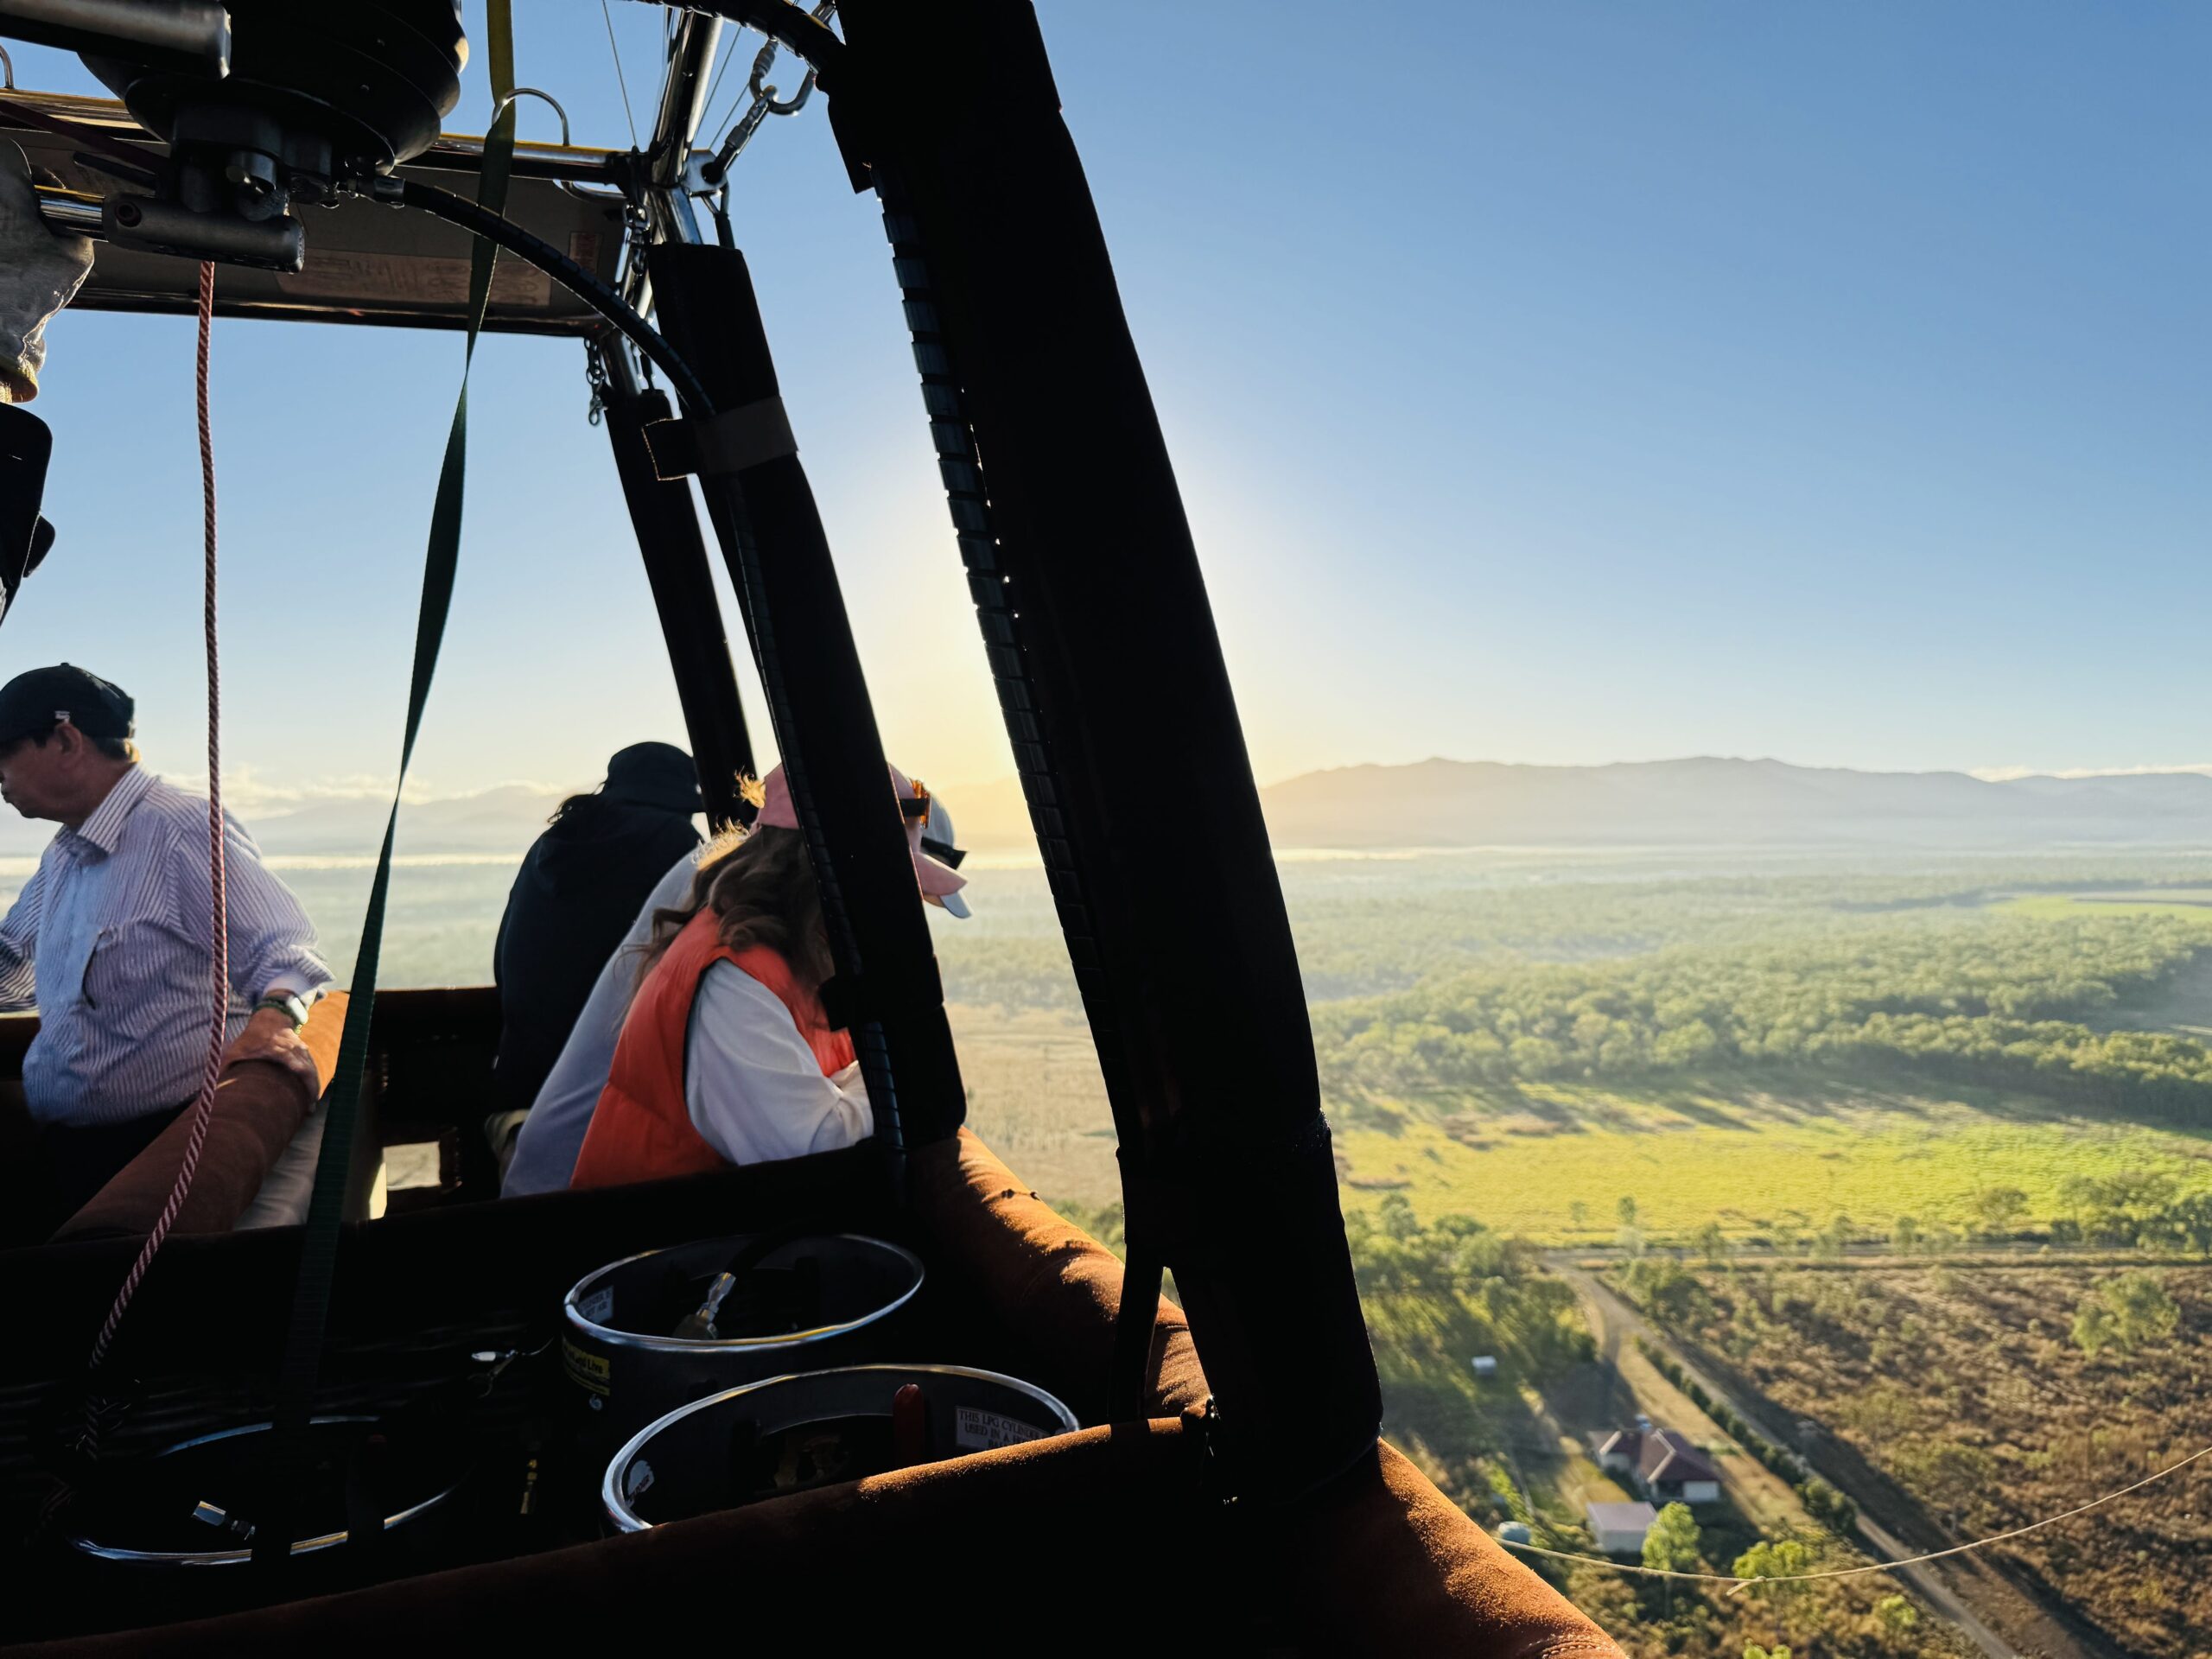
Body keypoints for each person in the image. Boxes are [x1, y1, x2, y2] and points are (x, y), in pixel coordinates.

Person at [0, 664, 330, 1236]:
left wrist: (272, 1021)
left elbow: (286, 955)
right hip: (70, 1150)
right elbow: (11, 969)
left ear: (64, 740)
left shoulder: (180, 831)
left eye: (1, 751)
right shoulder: (64, 854)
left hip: (154, 1154)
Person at [553, 764, 967, 1192]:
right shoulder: (735, 981)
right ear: (825, 874)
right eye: (886, 886)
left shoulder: (796, 959)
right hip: (655, 1244)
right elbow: (814, 1150)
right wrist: (897, 1067)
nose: (892, 910)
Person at [490, 742, 703, 1143]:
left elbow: (504, 961)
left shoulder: (551, 842)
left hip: (523, 1087)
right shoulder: (675, 841)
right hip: (606, 1097)